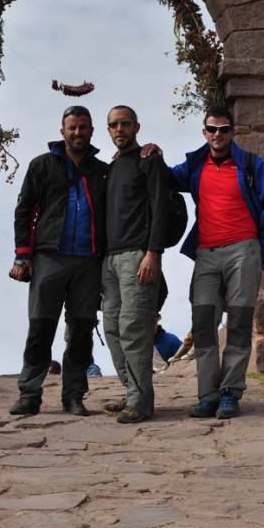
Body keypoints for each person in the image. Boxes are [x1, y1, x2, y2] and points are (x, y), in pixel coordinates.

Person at [169, 104, 264, 419]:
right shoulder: (194, 166)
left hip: (243, 251)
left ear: (232, 131)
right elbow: (165, 178)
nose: (217, 135)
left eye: (223, 129)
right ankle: (207, 396)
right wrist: (148, 154)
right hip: (206, 253)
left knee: (238, 322)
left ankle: (229, 394)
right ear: (204, 132)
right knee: (203, 323)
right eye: (211, 129)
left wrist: (258, 248)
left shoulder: (250, 164)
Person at [8, 106, 108, 417]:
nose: (77, 133)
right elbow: (24, 210)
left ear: (92, 131)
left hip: (88, 261)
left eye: (83, 127)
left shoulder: (102, 171)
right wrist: (23, 255)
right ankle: (29, 394)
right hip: (49, 257)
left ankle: (74, 396)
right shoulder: (42, 165)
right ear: (62, 131)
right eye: (72, 128)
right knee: (41, 327)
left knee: (81, 330)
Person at [102, 105, 170, 423]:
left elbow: (160, 207)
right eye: (114, 125)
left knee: (134, 328)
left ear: (136, 126)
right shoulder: (112, 167)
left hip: (138, 257)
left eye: (125, 123)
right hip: (110, 260)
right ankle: (132, 391)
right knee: (113, 327)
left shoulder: (149, 160)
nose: (119, 129)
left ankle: (141, 403)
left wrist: (153, 253)